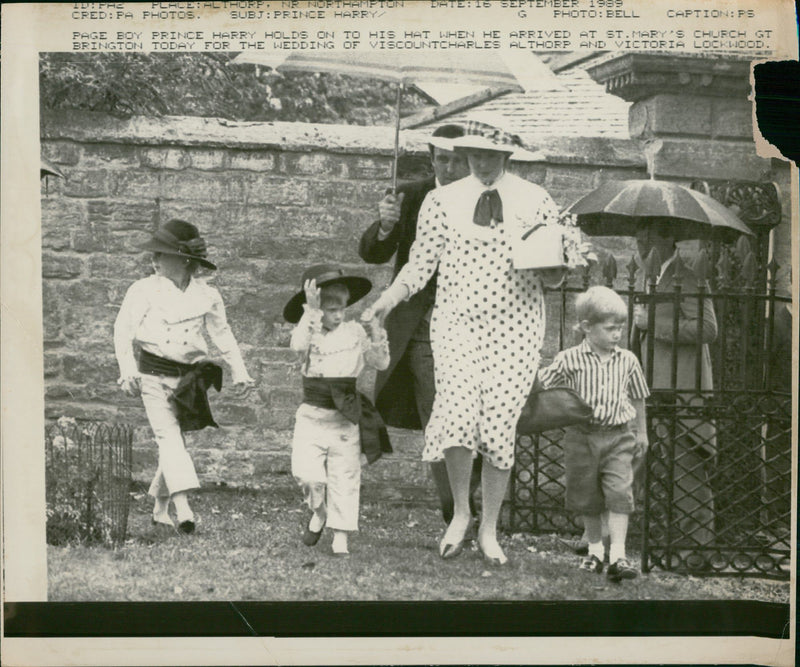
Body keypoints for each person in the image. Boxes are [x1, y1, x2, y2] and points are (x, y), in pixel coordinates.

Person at [363, 117, 566, 565]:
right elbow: (419, 265)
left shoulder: (536, 200)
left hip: (515, 325)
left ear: (507, 156)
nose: (481, 162)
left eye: (490, 155)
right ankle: (460, 513)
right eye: (474, 154)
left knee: (497, 425)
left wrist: (556, 267)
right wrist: (387, 300)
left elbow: (552, 273)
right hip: (455, 322)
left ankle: (489, 528)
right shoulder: (441, 200)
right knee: (455, 411)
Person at [358, 123, 483, 525]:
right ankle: (455, 509)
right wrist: (386, 225)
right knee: (438, 414)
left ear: (470, 160)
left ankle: (469, 497)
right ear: (432, 160)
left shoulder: (486, 198)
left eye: (457, 160)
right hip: (422, 326)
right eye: (441, 159)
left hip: (475, 323)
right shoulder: (412, 196)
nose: (448, 168)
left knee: (477, 415)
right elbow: (373, 253)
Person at [114, 219, 254, 534]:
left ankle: (160, 510)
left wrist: (240, 370)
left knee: (173, 442)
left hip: (188, 380)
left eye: (160, 254)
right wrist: (127, 370)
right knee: (169, 438)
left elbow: (223, 334)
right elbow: (122, 332)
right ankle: (184, 508)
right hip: (152, 376)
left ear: (184, 260)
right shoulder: (143, 289)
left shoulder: (208, 295)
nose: (153, 260)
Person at [538, 286, 650, 581]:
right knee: (587, 495)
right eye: (610, 328)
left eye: (621, 328)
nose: (617, 334)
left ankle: (619, 556)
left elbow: (638, 396)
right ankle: (595, 551)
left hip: (619, 436)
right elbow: (541, 384)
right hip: (581, 437)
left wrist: (642, 433)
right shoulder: (569, 359)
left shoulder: (627, 360)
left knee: (619, 492)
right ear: (587, 327)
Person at [284, 264, 391, 556]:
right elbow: (296, 346)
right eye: (330, 308)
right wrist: (312, 313)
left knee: (345, 477)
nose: (337, 314)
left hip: (345, 418)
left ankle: (341, 536)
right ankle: (319, 512)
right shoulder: (309, 331)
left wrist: (375, 330)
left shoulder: (354, 332)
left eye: (341, 307)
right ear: (318, 307)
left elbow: (379, 363)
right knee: (309, 475)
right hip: (312, 418)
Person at [631, 224, 718, 569]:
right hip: (648, 388)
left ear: (668, 240)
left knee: (688, 469)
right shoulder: (641, 277)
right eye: (637, 238)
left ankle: (696, 555)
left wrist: (653, 323)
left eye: (648, 237)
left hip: (682, 389)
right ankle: (665, 547)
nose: (640, 244)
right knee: (658, 469)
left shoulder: (691, 278)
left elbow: (708, 329)